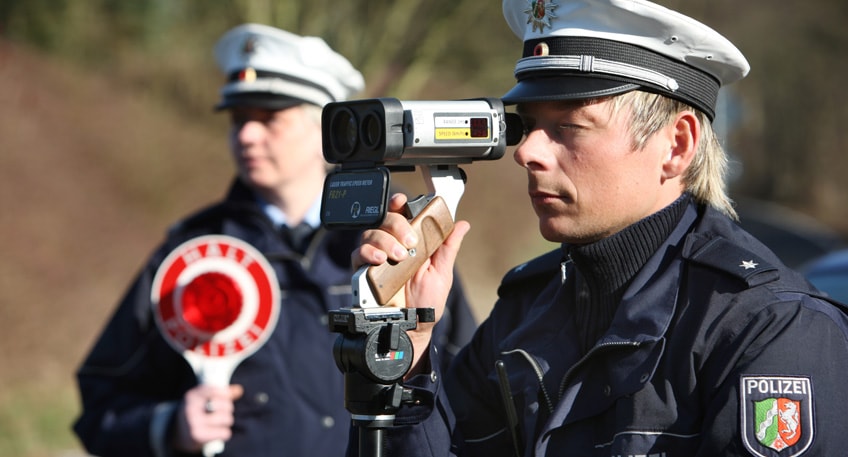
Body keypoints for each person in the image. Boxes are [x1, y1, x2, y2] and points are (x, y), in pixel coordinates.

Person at [351, 1, 848, 456]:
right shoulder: (526, 308)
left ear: (677, 146)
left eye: (569, 126)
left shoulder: (767, 328)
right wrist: (404, 359)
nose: (527, 152)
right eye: (529, 126)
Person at [72, 23, 476, 457]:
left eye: (269, 119)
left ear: (328, 130)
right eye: (238, 120)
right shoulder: (192, 256)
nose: (246, 135)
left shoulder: (394, 246)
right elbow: (102, 406)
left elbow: (471, 400)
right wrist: (171, 426)